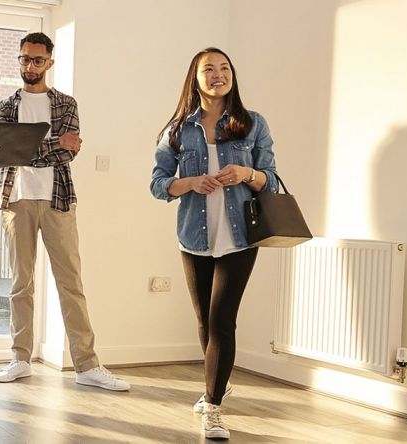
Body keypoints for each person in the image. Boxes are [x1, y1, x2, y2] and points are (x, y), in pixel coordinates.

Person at [0, 32, 130, 392]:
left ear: (50, 62)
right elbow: (6, 153)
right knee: (21, 284)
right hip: (16, 200)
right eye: (24, 58)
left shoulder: (66, 104)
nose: (29, 66)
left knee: (71, 283)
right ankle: (20, 358)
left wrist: (27, 146)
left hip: (58, 200)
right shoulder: (5, 105)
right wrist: (49, 143)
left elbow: (69, 152)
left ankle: (86, 364)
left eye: (37, 60)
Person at [149, 47, 279, 440]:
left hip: (240, 236)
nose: (218, 74)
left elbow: (270, 179)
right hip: (193, 236)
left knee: (223, 319)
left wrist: (246, 172)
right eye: (209, 69)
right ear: (196, 77)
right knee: (205, 321)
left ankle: (213, 405)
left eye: (225, 68)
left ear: (232, 76)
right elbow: (157, 184)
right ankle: (217, 382)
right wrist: (189, 182)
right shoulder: (176, 130)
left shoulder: (252, 123)